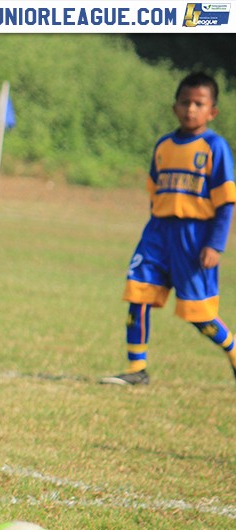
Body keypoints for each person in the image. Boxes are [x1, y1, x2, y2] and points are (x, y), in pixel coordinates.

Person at [100, 71, 236, 386]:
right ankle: (137, 369)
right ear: (175, 106)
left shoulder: (215, 147)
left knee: (198, 315)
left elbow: (226, 202)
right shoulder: (163, 146)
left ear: (212, 111)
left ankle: (232, 348)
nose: (191, 109)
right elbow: (155, 193)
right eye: (185, 102)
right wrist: (154, 232)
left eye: (199, 104)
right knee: (138, 292)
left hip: (195, 237)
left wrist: (215, 245)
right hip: (158, 233)